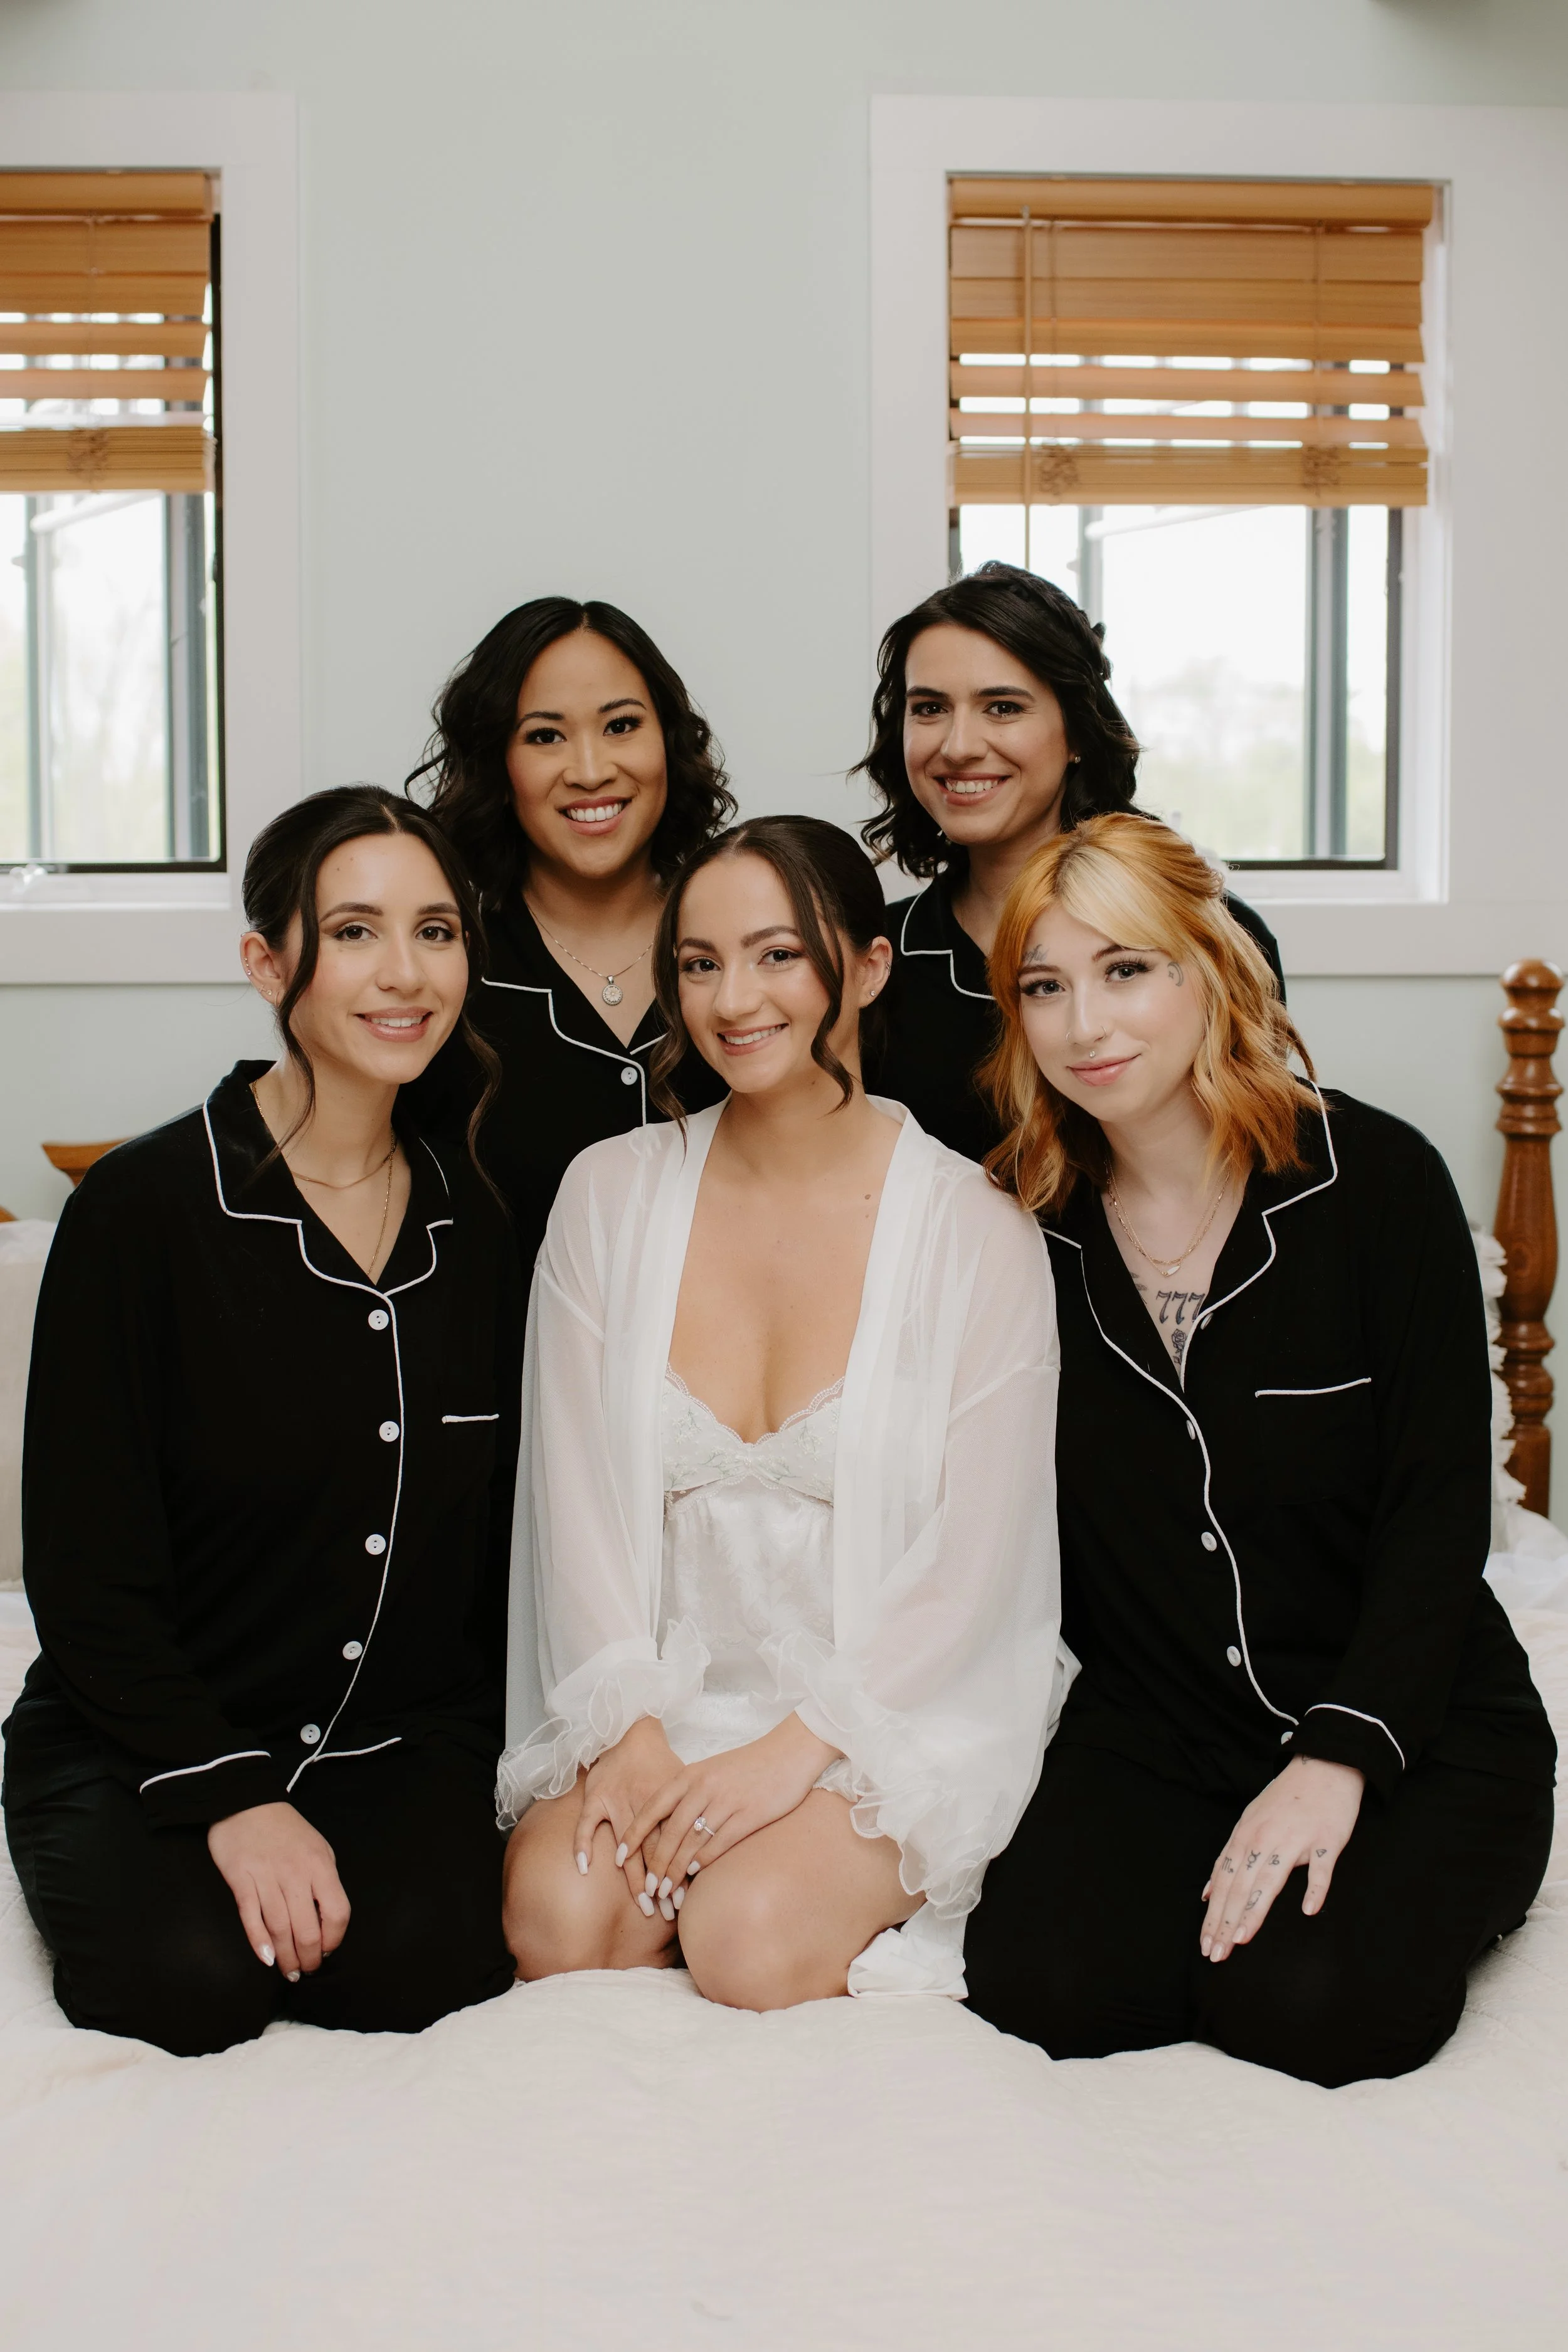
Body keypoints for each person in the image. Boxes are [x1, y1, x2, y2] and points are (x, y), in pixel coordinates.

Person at [961, 811, 1556, 2087]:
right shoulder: (1020, 1229)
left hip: (1415, 1716)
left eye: (1125, 970)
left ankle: (1437, 1881)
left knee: (1312, 2011)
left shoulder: (1376, 1181)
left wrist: (1338, 1757)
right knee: (1040, 1983)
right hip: (1163, 1720)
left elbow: (1440, 1511)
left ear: (1205, 965)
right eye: (1044, 988)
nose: (1084, 1026)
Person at [497, 815, 1065, 2006]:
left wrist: (799, 1753)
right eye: (698, 964)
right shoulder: (606, 1196)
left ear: (863, 966)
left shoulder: (978, 1233)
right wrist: (630, 1732)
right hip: (660, 1697)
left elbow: (978, 1564)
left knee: (745, 1941)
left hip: (878, 1711)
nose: (732, 999)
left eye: (776, 956)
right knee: (561, 1922)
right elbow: (577, 1503)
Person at [3, 787, 523, 2057]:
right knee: (188, 1986)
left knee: (420, 1972)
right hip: (145, 1732)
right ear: (267, 961)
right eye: (353, 933)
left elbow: (479, 1571)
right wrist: (233, 1799)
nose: (404, 974)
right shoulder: (139, 1213)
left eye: (436, 932)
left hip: (390, 1743)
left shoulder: (481, 1229)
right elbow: (83, 1577)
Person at [855, 562, 1284, 1164]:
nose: (957, 746)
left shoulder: (1210, 934)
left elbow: (1254, 1150)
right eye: (929, 709)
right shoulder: (872, 966)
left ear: (1077, 731)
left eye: (1002, 707)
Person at [408, 596, 736, 1275]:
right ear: (498, 765)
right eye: (545, 736)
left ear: (668, 744)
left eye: (621, 725)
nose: (589, 770)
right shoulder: (441, 975)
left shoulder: (749, 952)